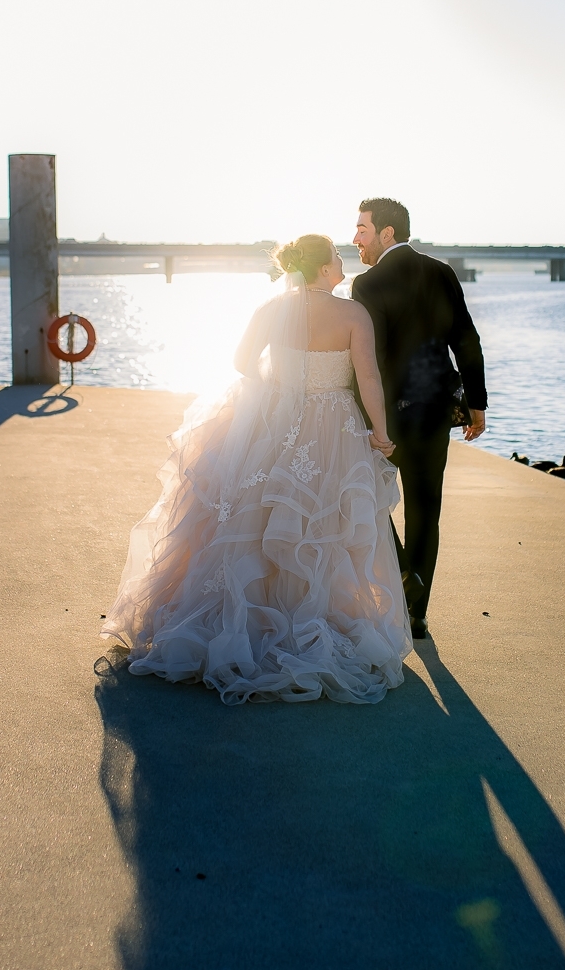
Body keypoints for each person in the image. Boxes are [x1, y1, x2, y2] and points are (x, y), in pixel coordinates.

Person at [102, 235, 412, 704]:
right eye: (337, 257)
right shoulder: (352, 314)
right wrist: (381, 433)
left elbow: (242, 362)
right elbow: (368, 377)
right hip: (332, 427)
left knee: (256, 515)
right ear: (324, 268)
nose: (342, 263)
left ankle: (251, 620)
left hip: (275, 419)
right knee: (321, 520)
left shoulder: (271, 309)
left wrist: (281, 389)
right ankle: (311, 616)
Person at [350, 198, 487, 641]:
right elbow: (466, 339)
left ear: (387, 233)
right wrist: (477, 402)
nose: (356, 239)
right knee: (427, 511)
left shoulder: (368, 284)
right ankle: (416, 613)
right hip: (436, 413)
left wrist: (372, 422)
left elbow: (372, 360)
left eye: (363, 230)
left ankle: (405, 574)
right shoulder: (441, 272)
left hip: (390, 418)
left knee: (369, 500)